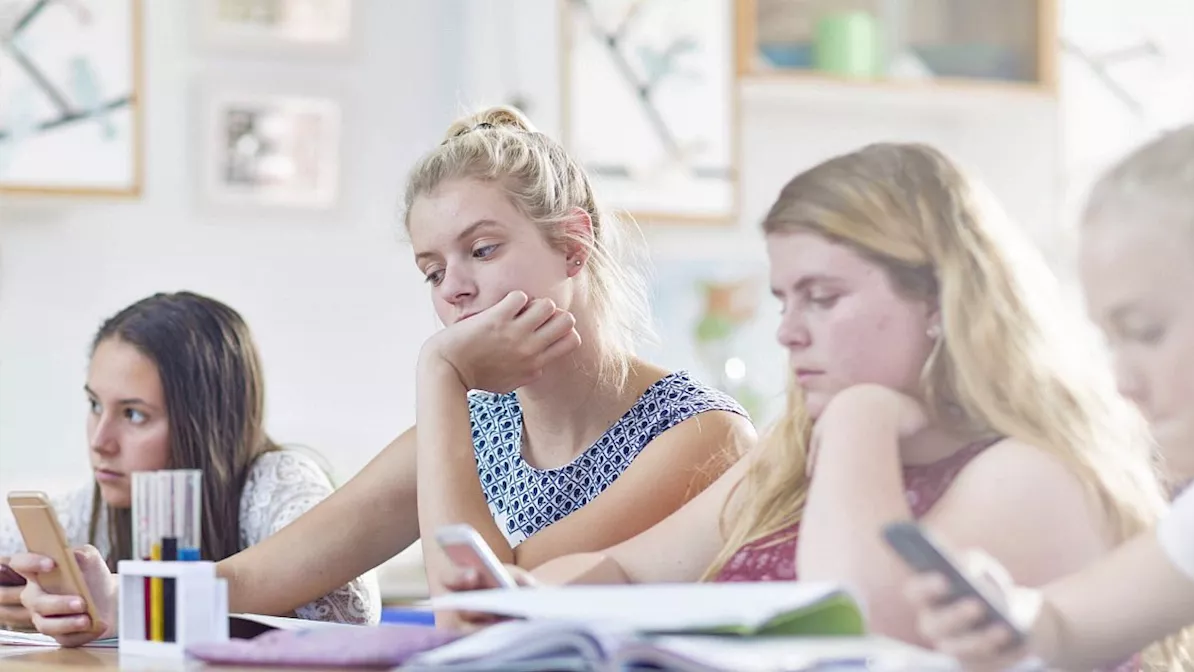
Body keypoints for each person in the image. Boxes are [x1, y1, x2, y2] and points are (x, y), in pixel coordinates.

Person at [12, 106, 754, 645]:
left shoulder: (700, 434)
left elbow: (482, 609)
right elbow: (253, 580)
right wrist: (117, 607)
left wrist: (440, 373)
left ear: (571, 245)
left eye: (483, 250)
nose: (453, 290)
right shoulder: (477, 425)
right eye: (432, 269)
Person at [442, 143, 1174, 668]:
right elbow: (627, 574)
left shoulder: (1029, 474)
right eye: (784, 300)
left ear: (939, 301)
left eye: (822, 298)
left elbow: (862, 630)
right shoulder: (790, 452)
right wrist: (521, 600)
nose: (789, 331)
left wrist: (860, 419)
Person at [901, 77, 1194, 672]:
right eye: (1111, 341)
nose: (1123, 382)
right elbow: (1064, 626)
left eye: (1148, 332)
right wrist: (1005, 616)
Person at [0, 292, 378, 632]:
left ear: (206, 423)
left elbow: (353, 613)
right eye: (95, 405)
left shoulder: (275, 483)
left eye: (133, 414)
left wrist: (130, 604)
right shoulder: (94, 506)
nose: (100, 442)